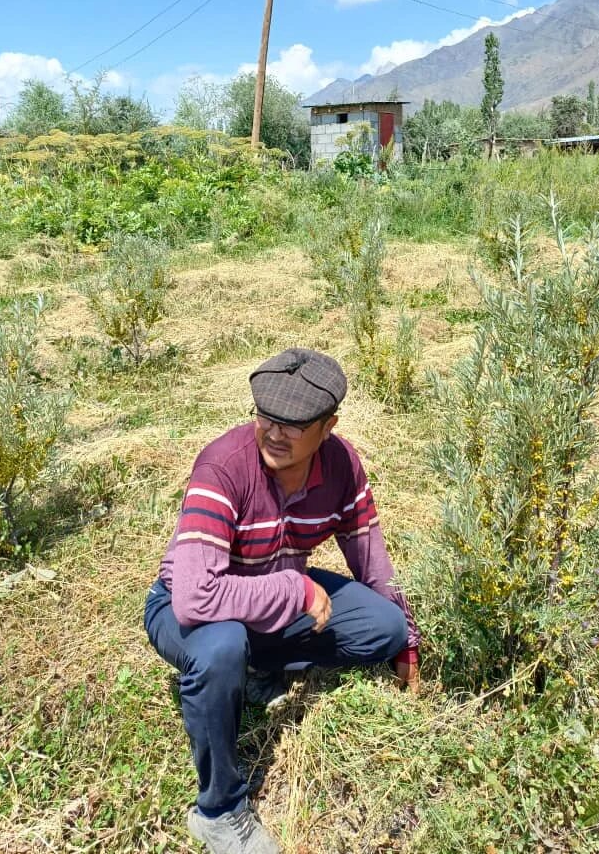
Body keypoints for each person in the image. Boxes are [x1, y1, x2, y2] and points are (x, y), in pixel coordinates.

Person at [144, 348, 420, 854]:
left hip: (271, 594)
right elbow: (193, 599)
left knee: (384, 626)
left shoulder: (341, 464)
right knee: (221, 645)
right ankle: (220, 811)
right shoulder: (223, 467)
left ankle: (257, 668)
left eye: (294, 424)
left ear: (329, 425)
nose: (275, 433)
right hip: (187, 604)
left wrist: (407, 639)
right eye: (266, 417)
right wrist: (296, 588)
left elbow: (371, 558)